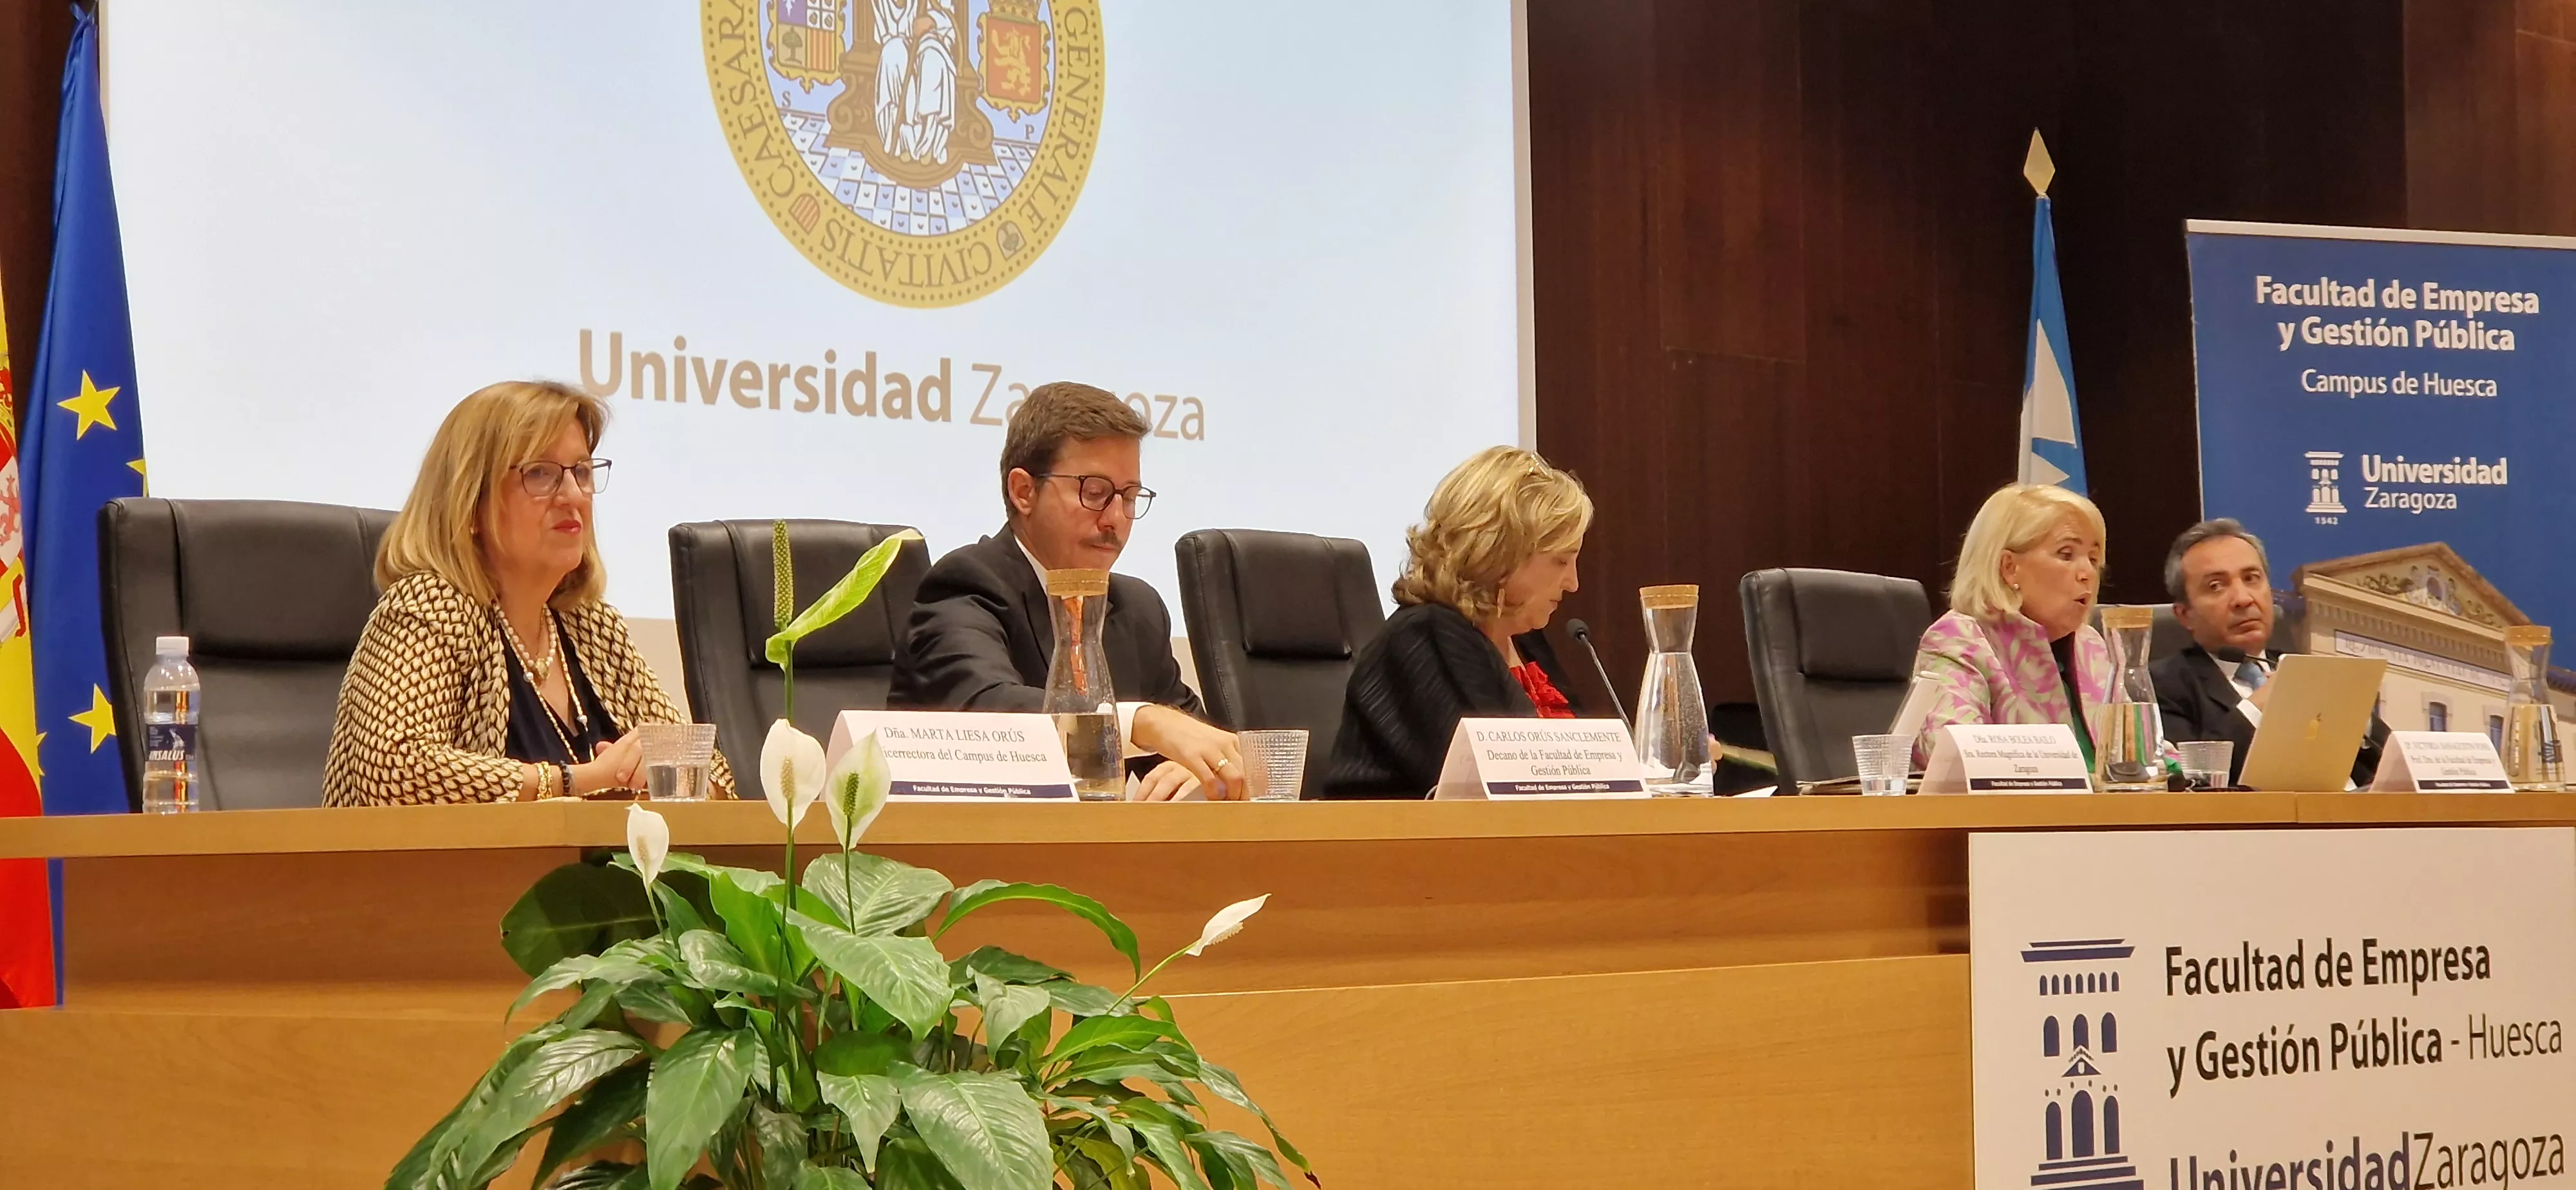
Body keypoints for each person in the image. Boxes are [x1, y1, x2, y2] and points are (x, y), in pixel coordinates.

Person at [325, 381, 733, 806]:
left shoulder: (591, 625)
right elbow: (393, 769)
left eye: (582, 472)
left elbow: (715, 777)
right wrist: (579, 780)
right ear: (470, 504)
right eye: (541, 473)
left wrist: (670, 776)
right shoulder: (430, 608)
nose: (573, 495)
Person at [890, 381, 1244, 801]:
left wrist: (1200, 769)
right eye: (1095, 493)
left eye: (1130, 497)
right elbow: (987, 714)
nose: (1116, 519)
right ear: (1024, 492)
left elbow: (1198, 738)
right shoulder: (966, 584)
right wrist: (1141, 722)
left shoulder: (1137, 609)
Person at [1318, 446, 1591, 798]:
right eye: (1560, 562)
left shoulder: (1526, 641)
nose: (1573, 583)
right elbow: (1498, 787)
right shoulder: (1424, 638)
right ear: (1499, 552)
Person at [2151, 518, 2387, 786]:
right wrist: (2259, 707)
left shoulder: (2308, 671)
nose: (2243, 598)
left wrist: (2357, 716)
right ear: (2185, 615)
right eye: (2216, 586)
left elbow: (2393, 771)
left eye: (2252, 579)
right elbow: (2192, 782)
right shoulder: (2161, 687)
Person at [1903, 483, 2111, 770]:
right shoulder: (1959, 640)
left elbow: (2141, 753)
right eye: (2066, 554)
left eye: (2093, 558)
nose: (2088, 573)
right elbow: (1953, 755)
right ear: (2009, 567)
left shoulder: (2092, 646)